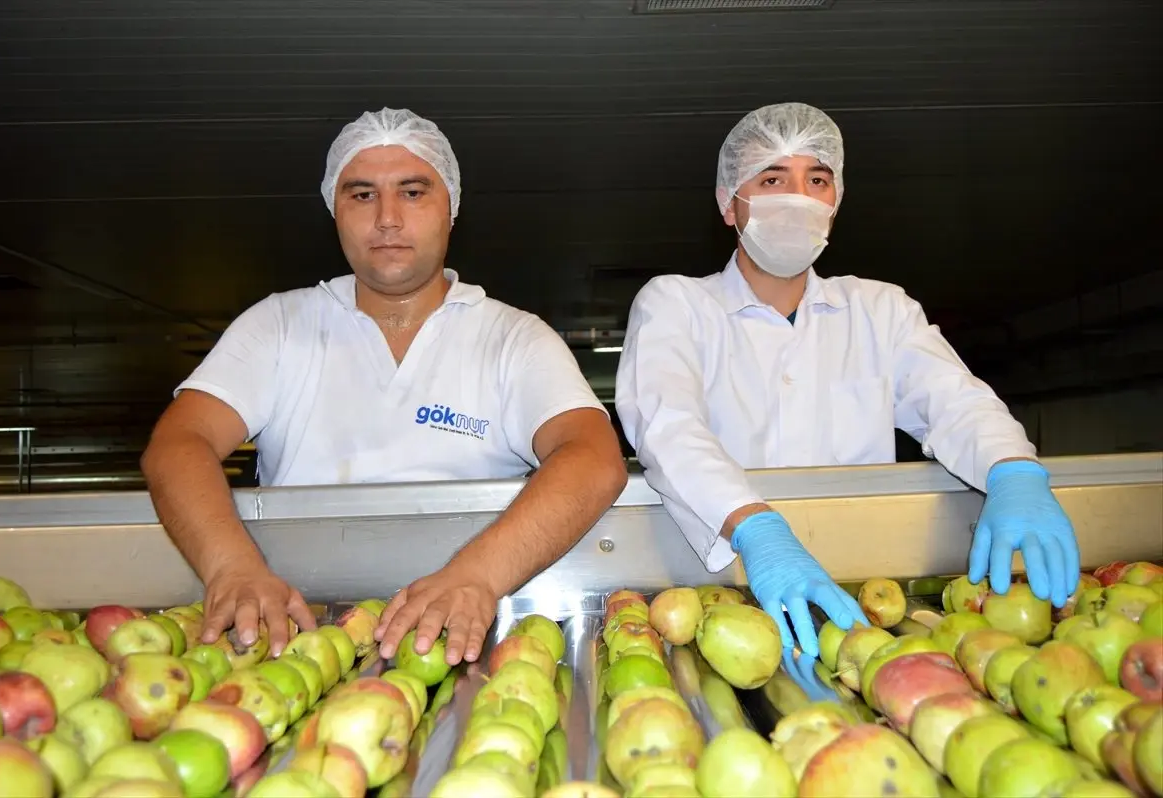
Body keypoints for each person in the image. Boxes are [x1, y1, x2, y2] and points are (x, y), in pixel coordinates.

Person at [142, 107, 627, 665]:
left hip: (466, 637)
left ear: (452, 209)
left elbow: (594, 458)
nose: (388, 219)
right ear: (335, 210)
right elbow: (179, 444)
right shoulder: (279, 326)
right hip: (298, 635)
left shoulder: (511, 337)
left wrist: (475, 576)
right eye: (363, 195)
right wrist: (232, 567)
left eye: (414, 192)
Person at [614, 102, 1079, 657]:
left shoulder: (879, 309)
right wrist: (755, 528)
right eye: (771, 179)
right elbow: (667, 424)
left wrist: (1013, 471)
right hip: (726, 592)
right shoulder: (677, 303)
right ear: (728, 204)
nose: (798, 197)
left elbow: (954, 401)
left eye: (817, 179)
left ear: (836, 201)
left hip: (865, 596)